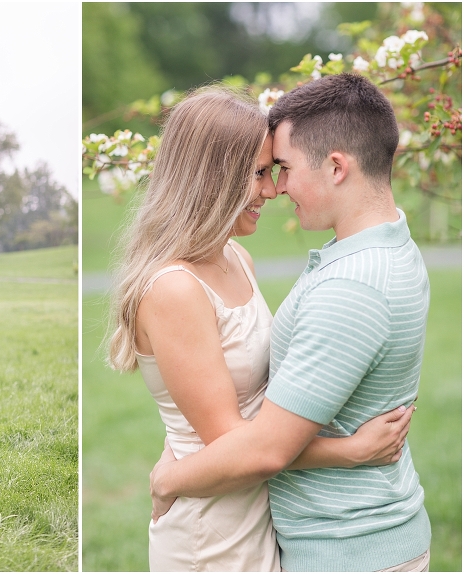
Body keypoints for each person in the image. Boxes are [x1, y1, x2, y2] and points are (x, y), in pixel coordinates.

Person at [107, 85, 414, 572]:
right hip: (212, 527)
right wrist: (350, 451)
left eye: (274, 171)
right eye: (258, 174)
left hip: (258, 511)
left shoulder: (237, 258)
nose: (272, 190)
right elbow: (233, 439)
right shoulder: (175, 289)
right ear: (212, 178)